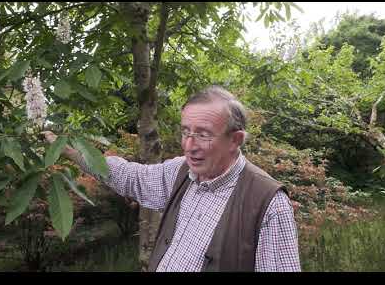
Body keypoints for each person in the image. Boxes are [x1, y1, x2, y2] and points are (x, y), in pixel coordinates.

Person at [42, 85, 301, 272]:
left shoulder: (268, 203)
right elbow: (128, 176)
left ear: (236, 140)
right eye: (186, 131)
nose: (189, 145)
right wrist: (68, 151)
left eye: (203, 134)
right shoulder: (180, 172)